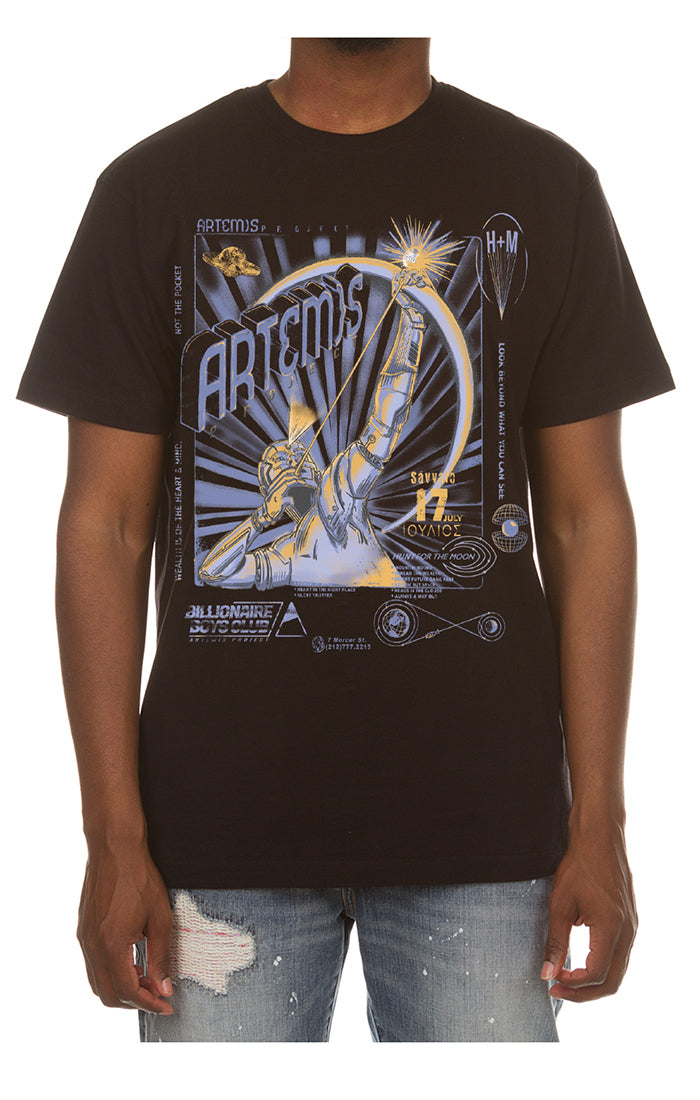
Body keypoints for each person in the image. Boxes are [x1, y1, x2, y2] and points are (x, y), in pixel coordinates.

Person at [16, 37, 674, 1042]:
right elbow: (103, 525)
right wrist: (112, 836)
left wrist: (602, 823)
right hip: (216, 839)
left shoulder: (544, 183)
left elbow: (587, 519)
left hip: (487, 838)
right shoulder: (154, 188)